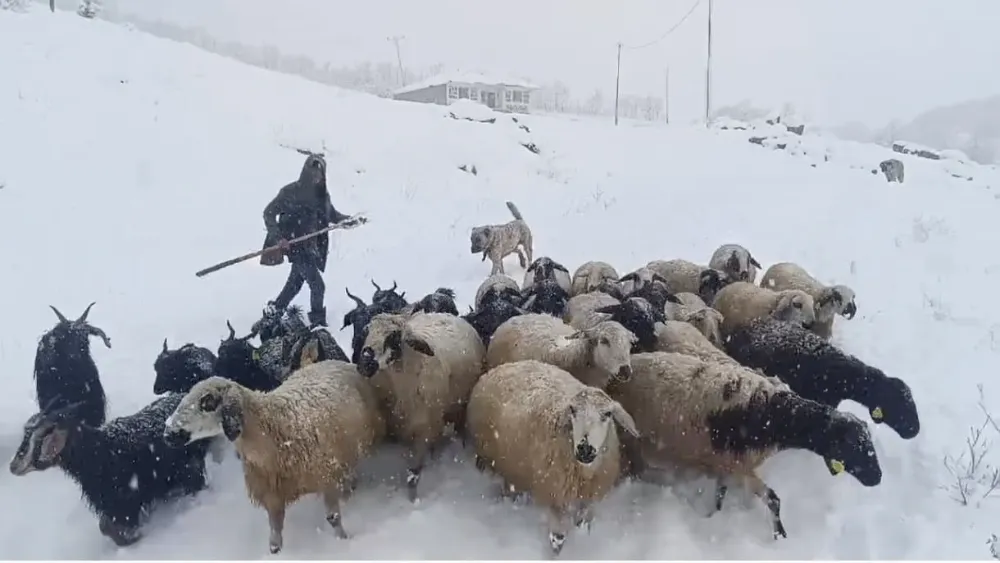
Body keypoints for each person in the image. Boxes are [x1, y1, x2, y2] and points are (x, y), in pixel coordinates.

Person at [260, 153, 360, 328]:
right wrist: (279, 238)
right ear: (306, 173)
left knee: (294, 284)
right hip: (295, 247)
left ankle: (274, 313)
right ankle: (318, 323)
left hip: (311, 248)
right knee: (318, 286)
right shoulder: (289, 192)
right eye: (313, 173)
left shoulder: (321, 196)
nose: (316, 177)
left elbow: (332, 215)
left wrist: (349, 220)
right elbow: (268, 212)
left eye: (319, 174)